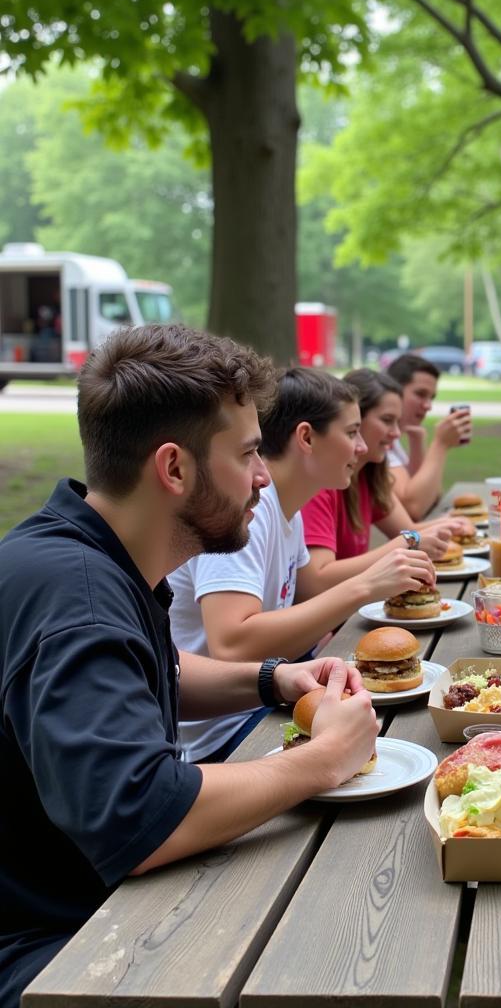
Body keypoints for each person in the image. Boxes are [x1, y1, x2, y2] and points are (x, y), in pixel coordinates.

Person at [0, 326, 378, 1008]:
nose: (263, 476)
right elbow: (142, 819)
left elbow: (158, 669)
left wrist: (272, 680)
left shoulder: (88, 551)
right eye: (246, 454)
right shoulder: (78, 601)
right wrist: (323, 760)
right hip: (52, 948)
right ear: (173, 469)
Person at [169, 367, 437, 764]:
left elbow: (310, 589)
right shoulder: (250, 513)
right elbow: (231, 643)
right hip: (223, 736)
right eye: (351, 433)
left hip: (266, 705)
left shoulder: (286, 511)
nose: (362, 448)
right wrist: (366, 586)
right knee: (408, 747)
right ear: (306, 437)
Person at [299, 368, 463, 588]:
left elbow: (409, 528)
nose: (396, 433)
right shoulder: (321, 482)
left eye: (397, 422)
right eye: (387, 420)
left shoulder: (369, 473)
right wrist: (406, 544)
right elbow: (315, 580)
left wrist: (450, 524)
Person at [385, 353, 472, 519]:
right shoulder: (378, 441)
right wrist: (440, 444)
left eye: (431, 397)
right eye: (420, 394)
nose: (428, 406)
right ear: (394, 391)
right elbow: (414, 509)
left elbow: (431, 496)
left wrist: (417, 442)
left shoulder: (395, 440)